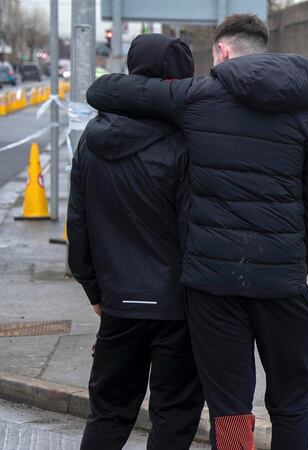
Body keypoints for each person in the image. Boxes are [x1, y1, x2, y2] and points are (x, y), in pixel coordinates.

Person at [87, 14, 308, 450]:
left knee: (231, 406)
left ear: (220, 51)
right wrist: (297, 263)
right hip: (282, 283)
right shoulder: (302, 114)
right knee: (293, 402)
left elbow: (102, 90)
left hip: (214, 289)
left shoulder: (198, 96)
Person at [67, 34, 204, 450]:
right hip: (177, 308)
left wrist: (93, 287)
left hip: (116, 302)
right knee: (174, 416)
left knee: (108, 413)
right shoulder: (186, 141)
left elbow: (80, 223)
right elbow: (192, 229)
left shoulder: (91, 139)